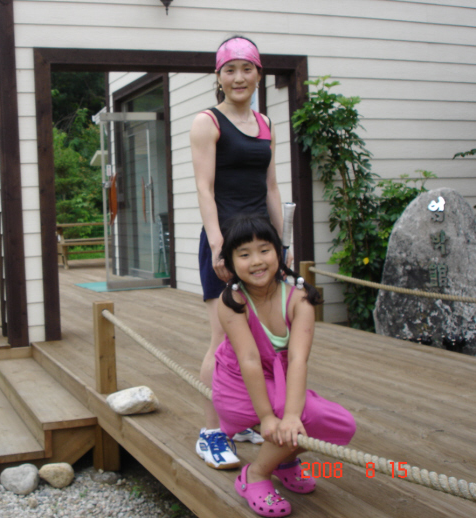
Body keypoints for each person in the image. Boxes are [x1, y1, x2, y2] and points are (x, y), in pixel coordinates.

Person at [212, 213, 356, 517]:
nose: (256, 261)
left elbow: (299, 359)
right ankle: (256, 474)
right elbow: (249, 360)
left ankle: (284, 460)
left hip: (279, 380)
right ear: (230, 263)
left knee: (336, 424)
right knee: (300, 417)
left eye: (264, 250)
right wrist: (267, 417)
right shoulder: (232, 301)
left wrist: (290, 415)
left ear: (280, 253)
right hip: (238, 384)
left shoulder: (299, 299)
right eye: (244, 254)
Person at [191, 35, 286, 469]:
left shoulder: (265, 124)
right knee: (223, 339)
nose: (239, 77)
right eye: (230, 70)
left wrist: (281, 246)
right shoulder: (207, 122)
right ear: (219, 76)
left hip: (261, 247)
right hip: (226, 244)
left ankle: (240, 418)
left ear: (258, 74)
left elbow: (271, 189)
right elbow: (204, 188)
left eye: (247, 68)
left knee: (260, 339)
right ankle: (211, 432)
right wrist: (217, 245)